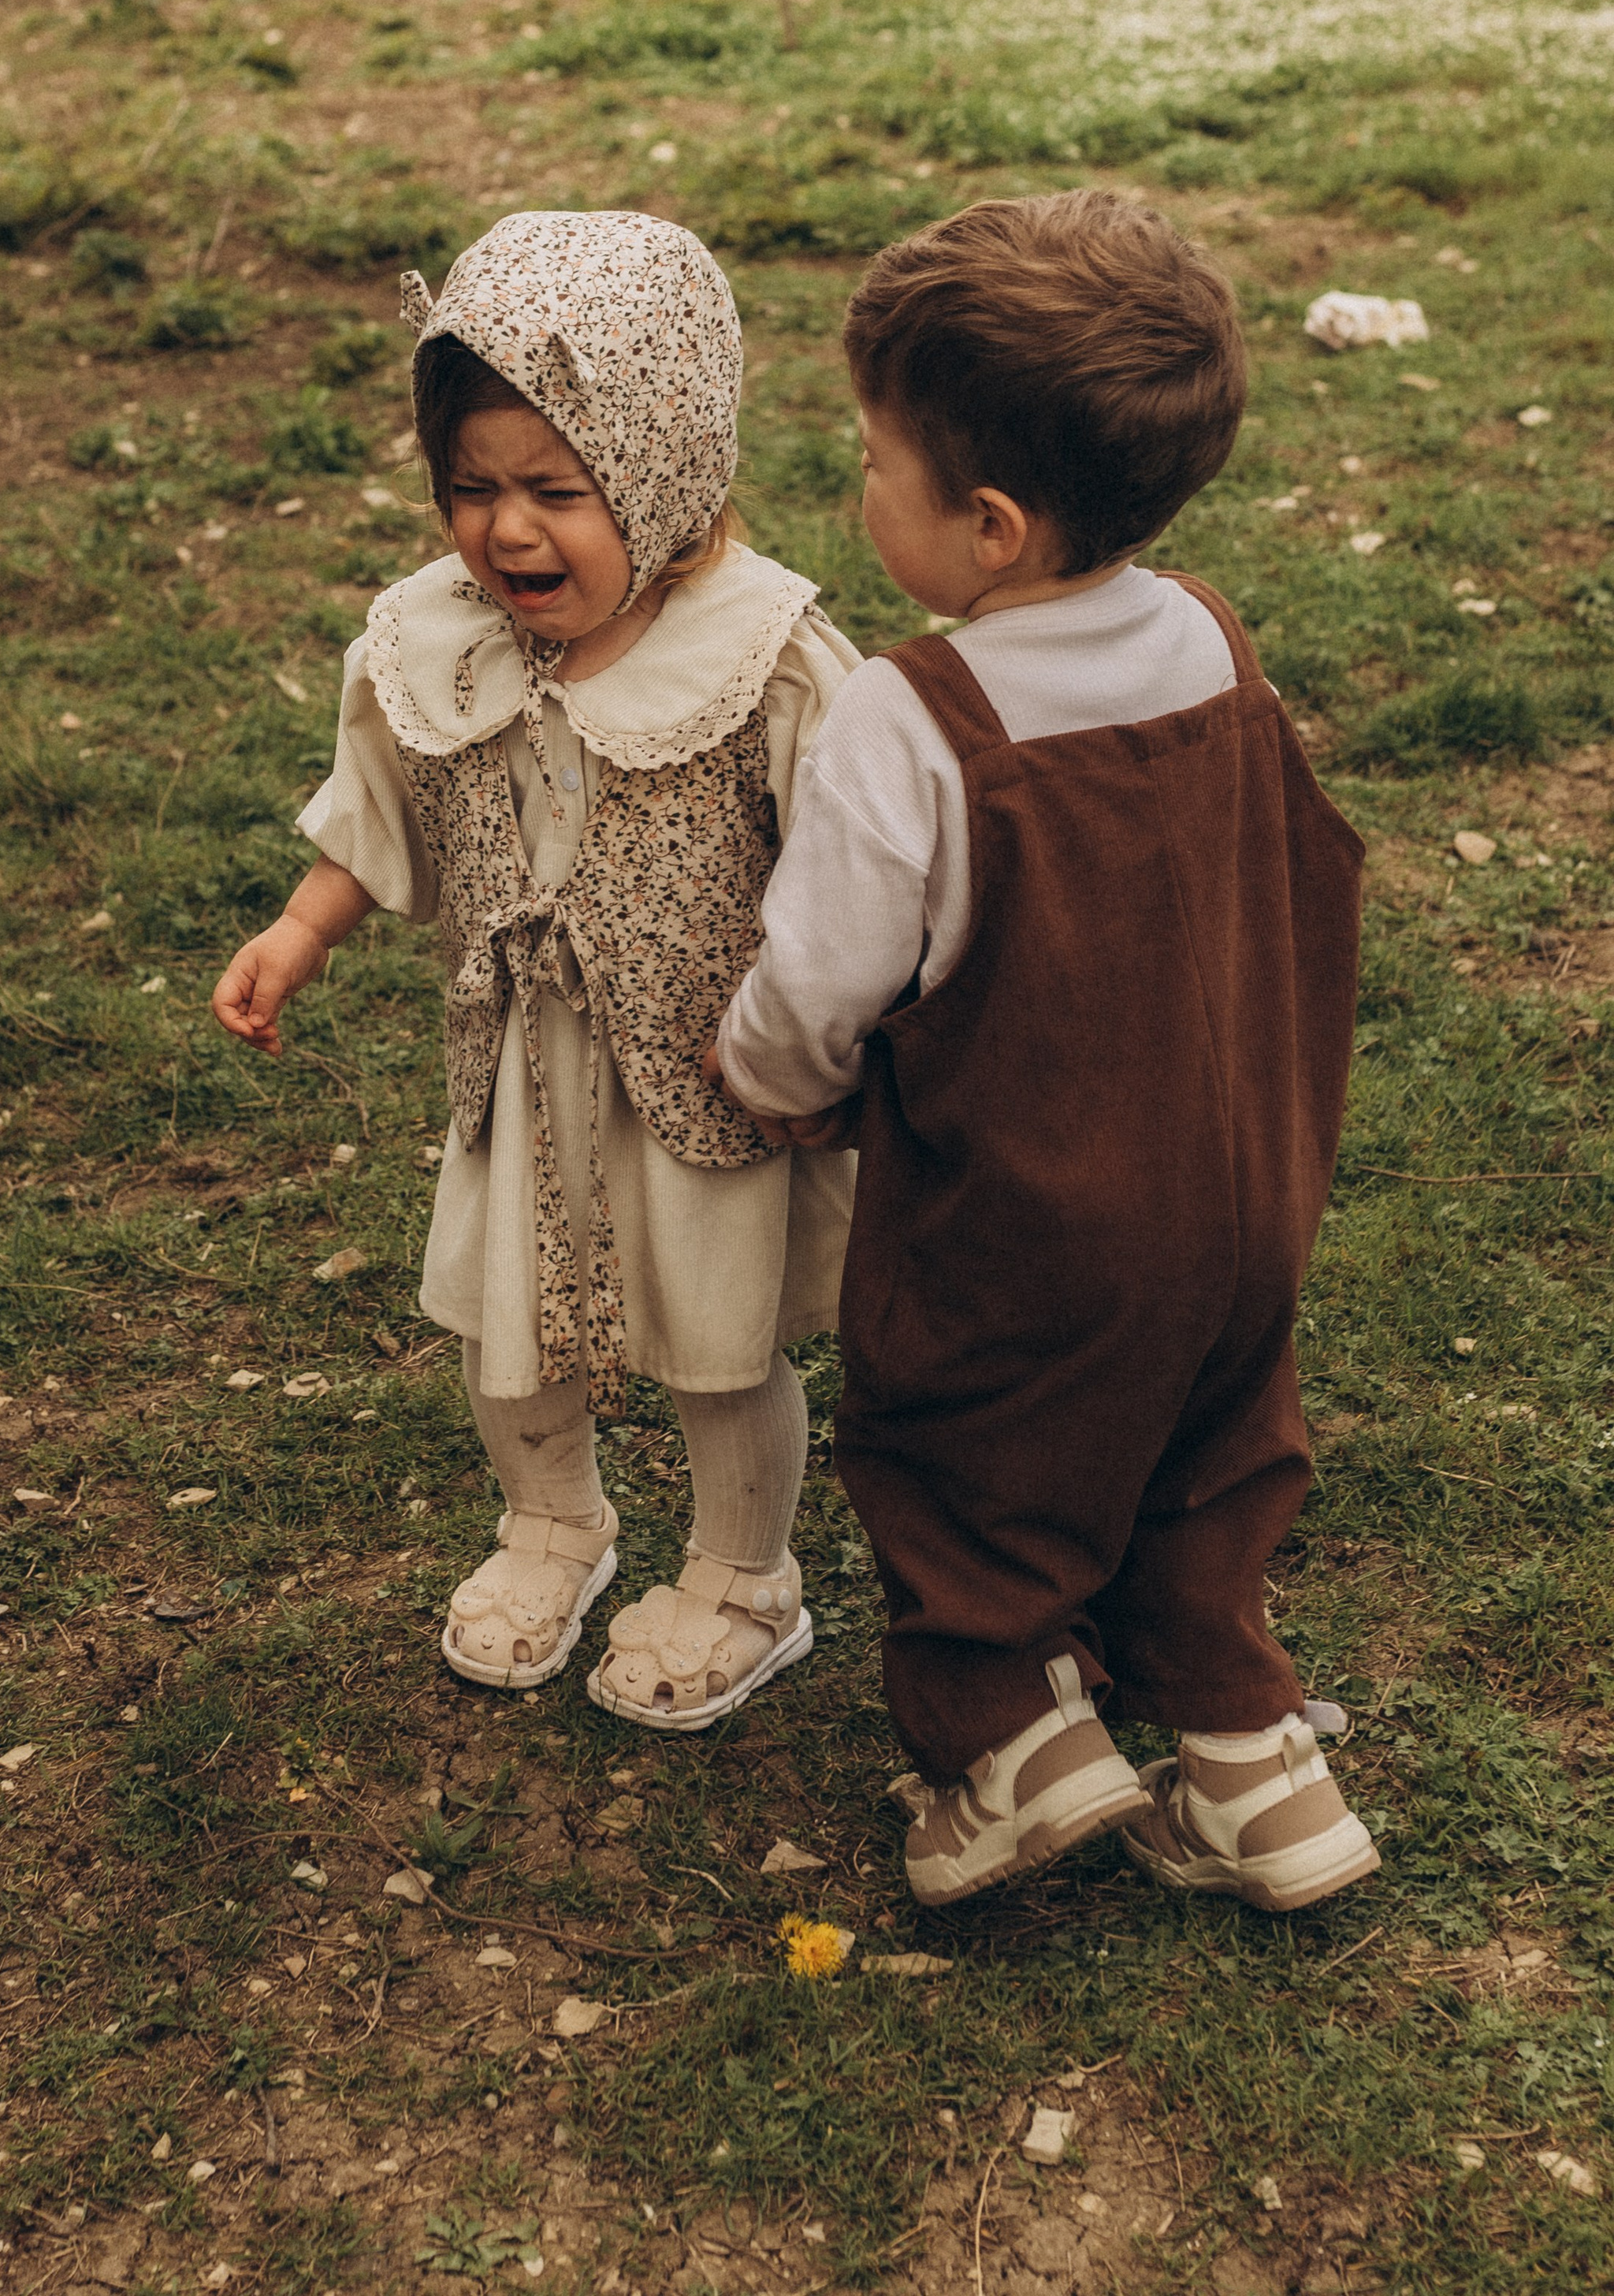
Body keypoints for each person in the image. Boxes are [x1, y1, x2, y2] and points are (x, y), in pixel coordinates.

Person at [711, 188, 1381, 1913]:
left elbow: (821, 976)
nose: (855, 489)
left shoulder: (915, 718)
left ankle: (1006, 1740)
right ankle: (1253, 1769)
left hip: (1025, 1216)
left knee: (968, 1470)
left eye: (871, 460)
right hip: (1238, 1201)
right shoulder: (1209, 645)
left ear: (989, 524)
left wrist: (767, 1080)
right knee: (1200, 1451)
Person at [213, 211, 859, 1729]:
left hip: (709, 1075)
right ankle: (553, 1521)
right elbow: (385, 799)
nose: (507, 533)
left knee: (719, 1341)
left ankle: (746, 1577)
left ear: (664, 467)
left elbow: (860, 853)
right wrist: (304, 927)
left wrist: (844, 1032)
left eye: (556, 491)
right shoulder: (438, 642)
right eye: (472, 488)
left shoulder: (763, 652)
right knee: (501, 1327)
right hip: (522, 1063)